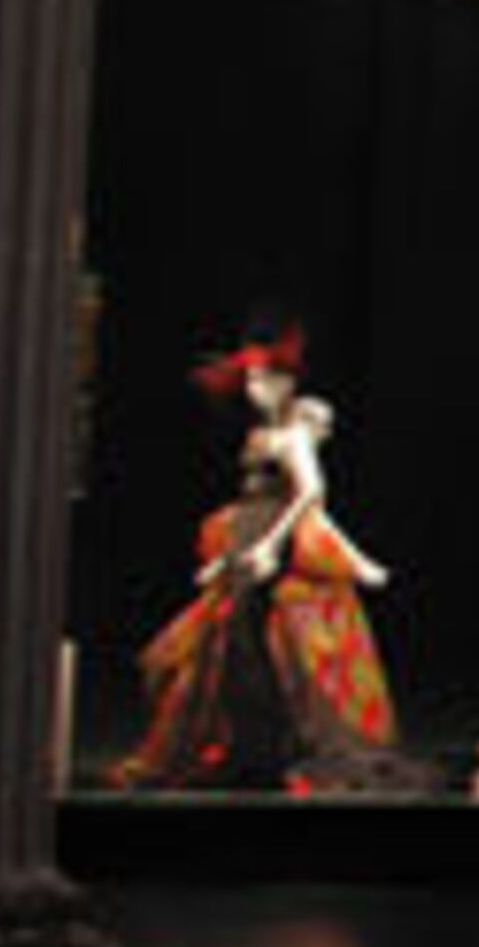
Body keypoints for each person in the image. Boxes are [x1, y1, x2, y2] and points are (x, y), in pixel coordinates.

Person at [119, 327, 409, 792]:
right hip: (248, 535)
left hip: (276, 540)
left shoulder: (293, 436)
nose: (258, 390)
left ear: (287, 384)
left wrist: (273, 544)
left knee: (280, 641)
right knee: (232, 637)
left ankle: (283, 746)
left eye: (267, 380)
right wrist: (229, 554)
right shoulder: (262, 435)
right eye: (251, 380)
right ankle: (249, 746)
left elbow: (311, 493)